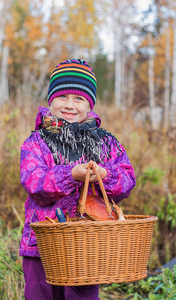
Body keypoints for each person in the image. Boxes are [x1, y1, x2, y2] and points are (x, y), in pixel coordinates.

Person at [19, 58, 136, 300]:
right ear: (51, 99)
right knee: (40, 295)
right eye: (62, 97)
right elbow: (33, 182)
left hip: (87, 247)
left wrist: (105, 175)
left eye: (79, 98)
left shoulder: (105, 143)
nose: (69, 105)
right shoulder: (37, 142)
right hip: (41, 246)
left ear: (89, 104)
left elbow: (127, 179)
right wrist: (70, 175)